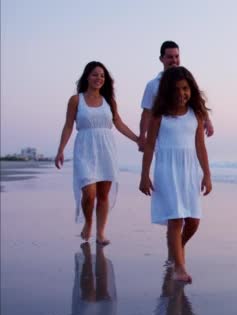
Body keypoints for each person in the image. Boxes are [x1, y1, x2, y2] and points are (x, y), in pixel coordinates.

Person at [139, 66, 212, 283]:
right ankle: (180, 266)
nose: (181, 93)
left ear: (192, 89)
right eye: (176, 89)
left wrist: (207, 174)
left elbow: (200, 146)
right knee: (175, 219)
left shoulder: (196, 114)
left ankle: (177, 247)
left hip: (189, 171)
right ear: (166, 91)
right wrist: (144, 175)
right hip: (166, 171)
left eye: (185, 88)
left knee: (193, 221)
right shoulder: (159, 116)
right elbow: (150, 145)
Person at [55, 61, 138, 245]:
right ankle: (88, 223)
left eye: (102, 75)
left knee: (103, 195)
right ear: (87, 77)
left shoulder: (109, 102)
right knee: (89, 193)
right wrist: (61, 149)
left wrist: (138, 139)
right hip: (85, 149)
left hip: (106, 150)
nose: (99, 78)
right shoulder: (76, 100)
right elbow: (69, 125)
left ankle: (100, 233)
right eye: (95, 74)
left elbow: (119, 124)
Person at [138, 40, 214, 152]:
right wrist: (142, 137)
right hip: (165, 137)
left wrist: (208, 120)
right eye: (170, 57)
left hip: (187, 135)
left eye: (176, 56)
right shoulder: (153, 85)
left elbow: (198, 101)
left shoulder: (186, 80)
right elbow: (146, 113)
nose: (174, 60)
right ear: (161, 59)